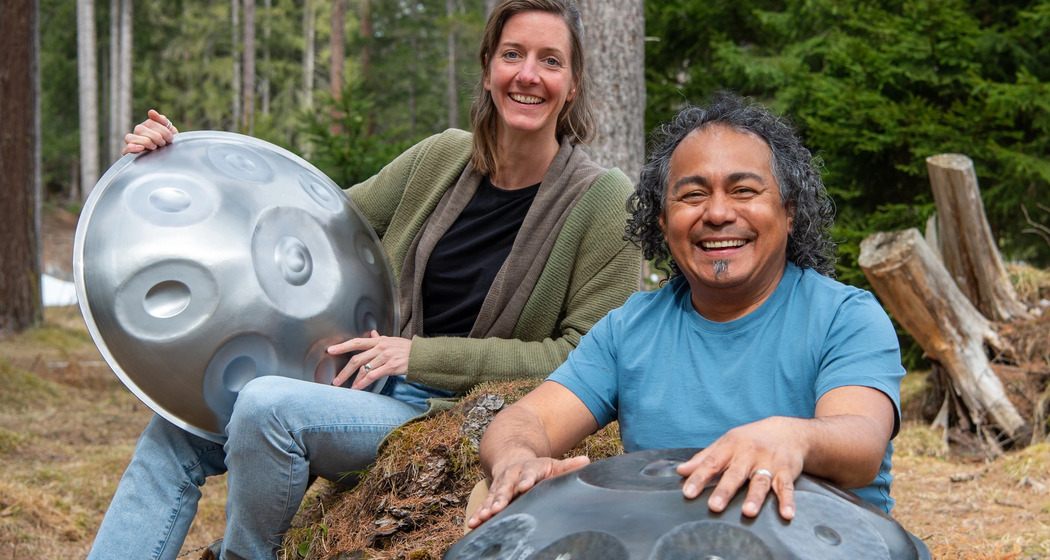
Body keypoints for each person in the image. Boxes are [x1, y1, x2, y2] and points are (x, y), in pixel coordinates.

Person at [88, 1, 641, 559]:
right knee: (174, 431)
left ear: (571, 86)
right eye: (512, 55)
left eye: (550, 61)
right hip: (361, 380)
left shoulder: (602, 200)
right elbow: (312, 224)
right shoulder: (443, 157)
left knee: (267, 407)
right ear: (488, 68)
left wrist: (419, 357)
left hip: (444, 409)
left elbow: (585, 357)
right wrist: (183, 162)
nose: (528, 75)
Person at [467, 92, 905, 531]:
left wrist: (793, 437)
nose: (716, 213)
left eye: (744, 191)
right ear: (661, 220)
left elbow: (862, 440)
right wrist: (516, 459)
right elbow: (525, 420)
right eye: (692, 195)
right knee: (489, 500)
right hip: (667, 544)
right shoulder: (630, 329)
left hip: (824, 543)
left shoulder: (845, 317)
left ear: (789, 211)